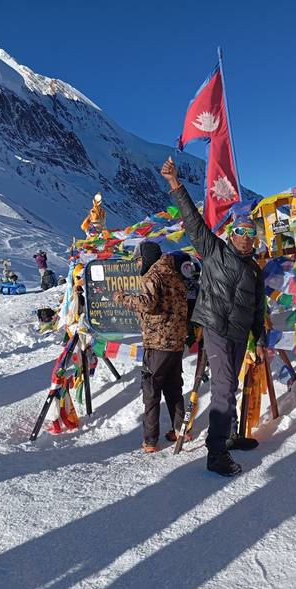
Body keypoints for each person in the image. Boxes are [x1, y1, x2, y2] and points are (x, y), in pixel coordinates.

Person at [161, 157, 266, 477]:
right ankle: (215, 452)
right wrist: (176, 185)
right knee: (222, 388)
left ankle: (231, 435)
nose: (246, 238)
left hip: (238, 334)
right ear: (232, 233)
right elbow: (193, 222)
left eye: (252, 233)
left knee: (230, 384)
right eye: (241, 231)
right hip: (217, 328)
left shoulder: (255, 270)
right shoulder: (215, 251)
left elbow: (259, 309)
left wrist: (259, 339)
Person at [113, 241, 188, 453]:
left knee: (152, 390)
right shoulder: (174, 273)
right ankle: (181, 430)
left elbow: (147, 303)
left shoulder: (153, 275)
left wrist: (122, 298)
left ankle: (150, 440)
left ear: (145, 257)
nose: (138, 265)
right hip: (176, 341)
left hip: (157, 342)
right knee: (174, 388)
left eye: (138, 260)